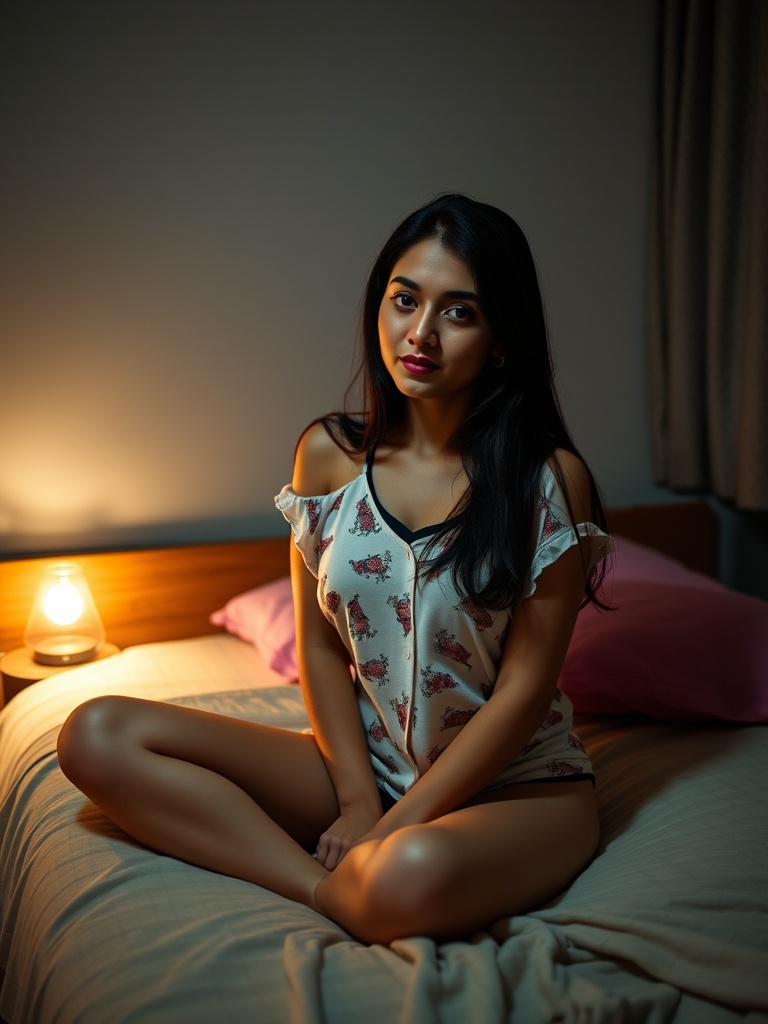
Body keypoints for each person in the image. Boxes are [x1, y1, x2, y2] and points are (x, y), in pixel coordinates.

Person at [57, 194, 612, 945]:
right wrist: (358, 804)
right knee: (95, 733)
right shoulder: (327, 457)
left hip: (521, 789)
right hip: (370, 767)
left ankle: (371, 878)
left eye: (459, 312)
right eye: (405, 300)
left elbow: (521, 694)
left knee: (406, 872)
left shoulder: (547, 480)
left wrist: (396, 826)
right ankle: (318, 892)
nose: (420, 334)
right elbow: (320, 646)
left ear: (501, 337)